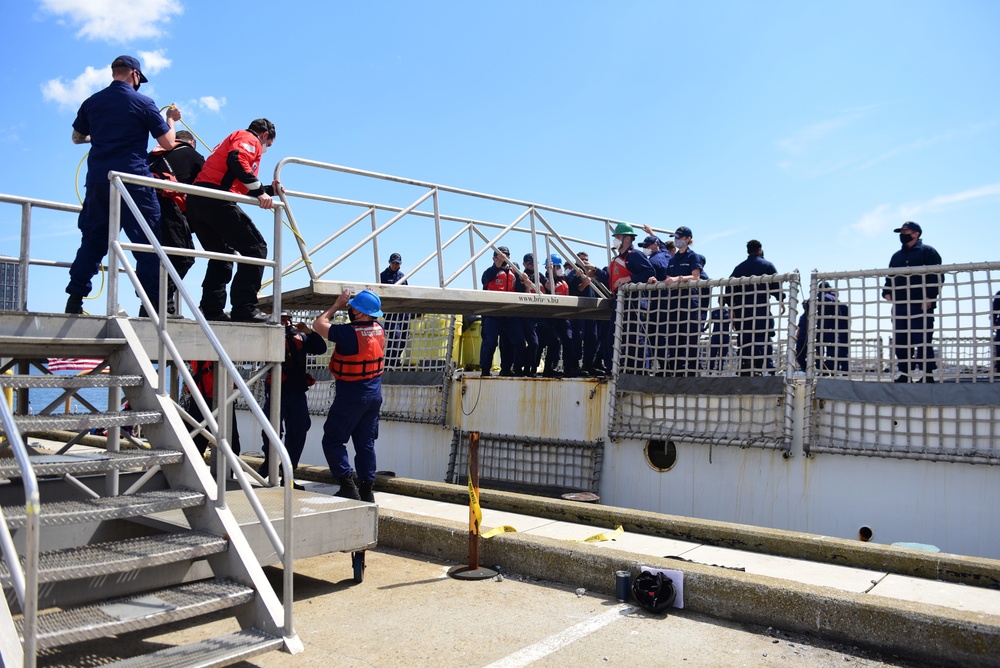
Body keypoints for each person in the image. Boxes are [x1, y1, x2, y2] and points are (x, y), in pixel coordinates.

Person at [66, 55, 181, 315]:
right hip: (133, 181)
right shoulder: (143, 102)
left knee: (93, 241)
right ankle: (151, 306)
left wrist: (102, 134)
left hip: (99, 181)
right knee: (146, 244)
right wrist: (172, 120)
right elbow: (167, 143)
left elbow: (76, 138)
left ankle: (74, 299)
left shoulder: (91, 102)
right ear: (135, 75)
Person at [186, 119, 281, 323]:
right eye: (269, 145)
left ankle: (212, 310)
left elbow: (241, 182)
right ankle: (244, 308)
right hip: (215, 199)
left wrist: (269, 191)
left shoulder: (233, 139)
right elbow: (237, 160)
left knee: (223, 254)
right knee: (256, 249)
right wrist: (259, 192)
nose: (265, 149)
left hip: (198, 201)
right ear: (264, 136)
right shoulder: (249, 138)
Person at [313, 289, 386, 502]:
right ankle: (366, 490)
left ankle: (347, 485)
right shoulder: (379, 329)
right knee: (365, 443)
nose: (350, 310)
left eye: (353, 307)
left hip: (351, 394)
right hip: (373, 395)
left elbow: (318, 324)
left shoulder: (347, 333)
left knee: (333, 439)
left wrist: (336, 305)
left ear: (362, 313)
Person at [258, 312, 328, 487]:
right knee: (271, 429)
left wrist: (310, 332)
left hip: (296, 391)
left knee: (298, 430)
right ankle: (269, 461)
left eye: (287, 318)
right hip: (276, 391)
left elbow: (320, 348)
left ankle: (288, 473)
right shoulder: (266, 335)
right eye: (281, 318)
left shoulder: (300, 337)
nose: (286, 321)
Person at [147, 130, 205, 317]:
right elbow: (208, 184)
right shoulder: (191, 154)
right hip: (168, 205)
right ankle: (162, 301)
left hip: (146, 208)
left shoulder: (153, 156)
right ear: (192, 142)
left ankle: (149, 307)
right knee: (183, 256)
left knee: (159, 258)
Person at [588, 223, 654, 373]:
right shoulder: (617, 259)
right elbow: (611, 279)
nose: (616, 240)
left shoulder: (635, 256)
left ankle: (642, 370)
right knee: (612, 337)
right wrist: (596, 272)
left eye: (618, 237)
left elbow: (649, 271)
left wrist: (629, 279)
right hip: (619, 300)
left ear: (627, 238)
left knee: (635, 338)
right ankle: (616, 369)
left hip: (634, 300)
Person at [882, 222, 942, 383]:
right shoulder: (897, 256)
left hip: (920, 304)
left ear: (915, 234)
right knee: (901, 340)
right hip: (901, 305)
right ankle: (905, 373)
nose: (902, 234)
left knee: (922, 339)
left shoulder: (928, 252)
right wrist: (886, 292)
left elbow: (936, 276)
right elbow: (890, 277)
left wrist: (929, 297)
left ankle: (927, 374)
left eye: (905, 231)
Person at [726, 240, 784, 375]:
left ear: (748, 251)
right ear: (759, 249)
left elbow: (729, 287)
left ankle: (745, 370)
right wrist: (781, 300)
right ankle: (762, 369)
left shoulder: (739, 268)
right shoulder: (768, 265)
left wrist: (732, 308)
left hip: (742, 310)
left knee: (744, 339)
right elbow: (776, 286)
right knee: (762, 338)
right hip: (761, 308)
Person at [663, 226, 704, 375]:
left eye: (679, 237)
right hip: (674, 302)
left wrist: (678, 279)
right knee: (674, 337)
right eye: (675, 237)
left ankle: (693, 371)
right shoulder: (673, 259)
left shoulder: (693, 256)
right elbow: (668, 277)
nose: (676, 240)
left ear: (688, 239)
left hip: (689, 301)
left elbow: (696, 276)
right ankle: (676, 369)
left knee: (691, 337)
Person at [479, 247, 525, 377]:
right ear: (494, 258)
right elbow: (484, 280)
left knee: (518, 341)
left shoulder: (514, 273)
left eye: (506, 257)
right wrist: (497, 265)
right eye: (499, 256)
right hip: (493, 313)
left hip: (510, 313)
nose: (503, 259)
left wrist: (525, 282)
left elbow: (520, 290)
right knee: (490, 340)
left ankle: (512, 368)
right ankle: (485, 369)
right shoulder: (490, 272)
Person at [795, 282, 849, 373]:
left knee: (816, 353)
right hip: (830, 329)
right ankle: (831, 370)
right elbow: (838, 317)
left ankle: (816, 370)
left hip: (813, 330)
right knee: (833, 351)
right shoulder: (834, 300)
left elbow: (805, 316)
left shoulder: (810, 300)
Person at [538, 255, 577, 377]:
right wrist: (550, 272)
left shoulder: (563, 280)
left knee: (569, 339)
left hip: (563, 316)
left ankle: (568, 368)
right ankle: (548, 369)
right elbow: (549, 287)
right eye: (558, 266)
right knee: (554, 342)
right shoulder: (545, 280)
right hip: (550, 317)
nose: (560, 269)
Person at [639, 232, 671, 373]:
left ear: (655, 245)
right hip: (671, 302)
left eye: (647, 245)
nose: (645, 248)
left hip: (657, 304)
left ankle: (664, 367)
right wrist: (651, 232)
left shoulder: (652, 262)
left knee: (656, 337)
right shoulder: (666, 255)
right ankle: (669, 367)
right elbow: (664, 245)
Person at [566, 253, 600, 375]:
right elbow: (569, 290)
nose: (585, 262)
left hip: (590, 312)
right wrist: (582, 284)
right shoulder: (573, 273)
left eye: (586, 260)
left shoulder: (591, 274)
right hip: (578, 311)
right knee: (577, 338)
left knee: (592, 338)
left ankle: (588, 364)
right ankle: (574, 365)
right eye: (582, 260)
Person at [380, 252, 411, 367]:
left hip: (403, 312)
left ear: (400, 264)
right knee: (395, 337)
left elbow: (407, 293)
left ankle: (396, 360)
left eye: (397, 263)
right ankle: (389, 362)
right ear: (389, 262)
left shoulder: (402, 277)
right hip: (391, 311)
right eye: (393, 263)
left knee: (403, 338)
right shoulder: (382, 276)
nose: (395, 265)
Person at [514, 252, 541, 376]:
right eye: (529, 263)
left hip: (534, 315)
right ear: (524, 264)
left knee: (534, 343)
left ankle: (529, 368)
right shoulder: (519, 276)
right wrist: (527, 285)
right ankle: (518, 368)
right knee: (519, 342)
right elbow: (523, 295)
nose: (531, 266)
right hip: (520, 314)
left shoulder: (540, 276)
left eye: (534, 263)